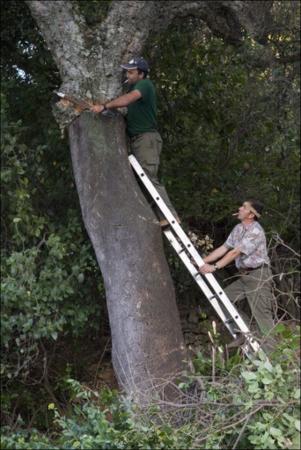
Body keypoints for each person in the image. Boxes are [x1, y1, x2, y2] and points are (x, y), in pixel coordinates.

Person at [90, 56, 179, 227]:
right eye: (127, 71)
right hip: (139, 139)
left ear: (141, 73)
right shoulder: (134, 86)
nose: (128, 74)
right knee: (142, 179)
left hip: (147, 138)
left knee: (149, 176)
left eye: (131, 72)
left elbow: (128, 99)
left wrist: (105, 106)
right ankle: (160, 215)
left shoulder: (144, 85)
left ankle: (170, 216)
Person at [199, 199, 274, 347]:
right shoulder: (238, 228)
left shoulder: (255, 231)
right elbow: (224, 248)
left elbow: (235, 252)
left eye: (244, 207)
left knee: (262, 318)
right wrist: (202, 262)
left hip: (258, 276)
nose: (239, 208)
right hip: (245, 277)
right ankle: (245, 332)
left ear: (251, 214)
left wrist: (214, 267)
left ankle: (277, 360)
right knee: (222, 300)